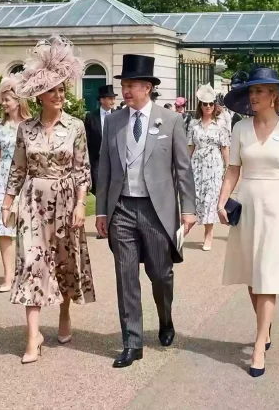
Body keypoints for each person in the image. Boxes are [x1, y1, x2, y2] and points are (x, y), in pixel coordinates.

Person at [94, 54, 196, 369]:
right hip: (122, 208)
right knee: (126, 277)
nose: (125, 91)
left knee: (160, 274)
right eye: (123, 85)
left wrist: (188, 209)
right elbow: (106, 169)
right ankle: (133, 343)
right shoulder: (112, 121)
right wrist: (101, 212)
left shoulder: (172, 121)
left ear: (148, 87)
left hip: (156, 210)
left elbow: (183, 169)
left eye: (132, 85)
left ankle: (165, 318)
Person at [1, 36, 96, 364]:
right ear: (40, 95)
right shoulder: (24, 129)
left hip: (67, 200)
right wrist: (6, 202)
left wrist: (82, 204)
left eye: (61, 89)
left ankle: (65, 313)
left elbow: (83, 169)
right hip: (32, 202)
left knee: (64, 261)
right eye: (53, 90)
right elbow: (17, 168)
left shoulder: (76, 127)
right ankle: (32, 336)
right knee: (31, 263)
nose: (59, 95)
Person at [218, 67, 279, 377]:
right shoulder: (240, 128)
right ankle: (266, 327)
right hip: (246, 203)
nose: (253, 96)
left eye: (259, 91)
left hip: (276, 205)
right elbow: (233, 170)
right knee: (252, 275)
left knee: (268, 273)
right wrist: (221, 200)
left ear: (275, 96)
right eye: (250, 92)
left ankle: (259, 344)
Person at [0, 76, 29, 292]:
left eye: (7, 100)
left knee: (25, 228)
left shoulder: (30, 124)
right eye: (3, 100)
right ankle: (8, 277)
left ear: (18, 100)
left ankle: (26, 274)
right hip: (2, 178)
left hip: (24, 178)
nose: (4, 104)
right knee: (5, 229)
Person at [188, 84, 229, 251]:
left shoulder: (220, 125)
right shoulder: (194, 125)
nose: (208, 107)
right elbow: (189, 147)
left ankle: (208, 235)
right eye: (205, 104)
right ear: (200, 105)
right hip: (197, 164)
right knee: (196, 197)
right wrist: (183, 167)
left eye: (211, 104)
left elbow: (225, 148)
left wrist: (228, 169)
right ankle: (185, 228)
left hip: (214, 165)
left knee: (210, 200)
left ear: (215, 105)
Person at [84, 84, 117, 240]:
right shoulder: (91, 117)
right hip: (97, 161)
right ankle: (102, 227)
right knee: (100, 193)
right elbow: (87, 142)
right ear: (102, 100)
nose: (112, 101)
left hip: (115, 161)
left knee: (114, 192)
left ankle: (113, 225)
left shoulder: (119, 116)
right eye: (110, 98)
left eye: (113, 98)